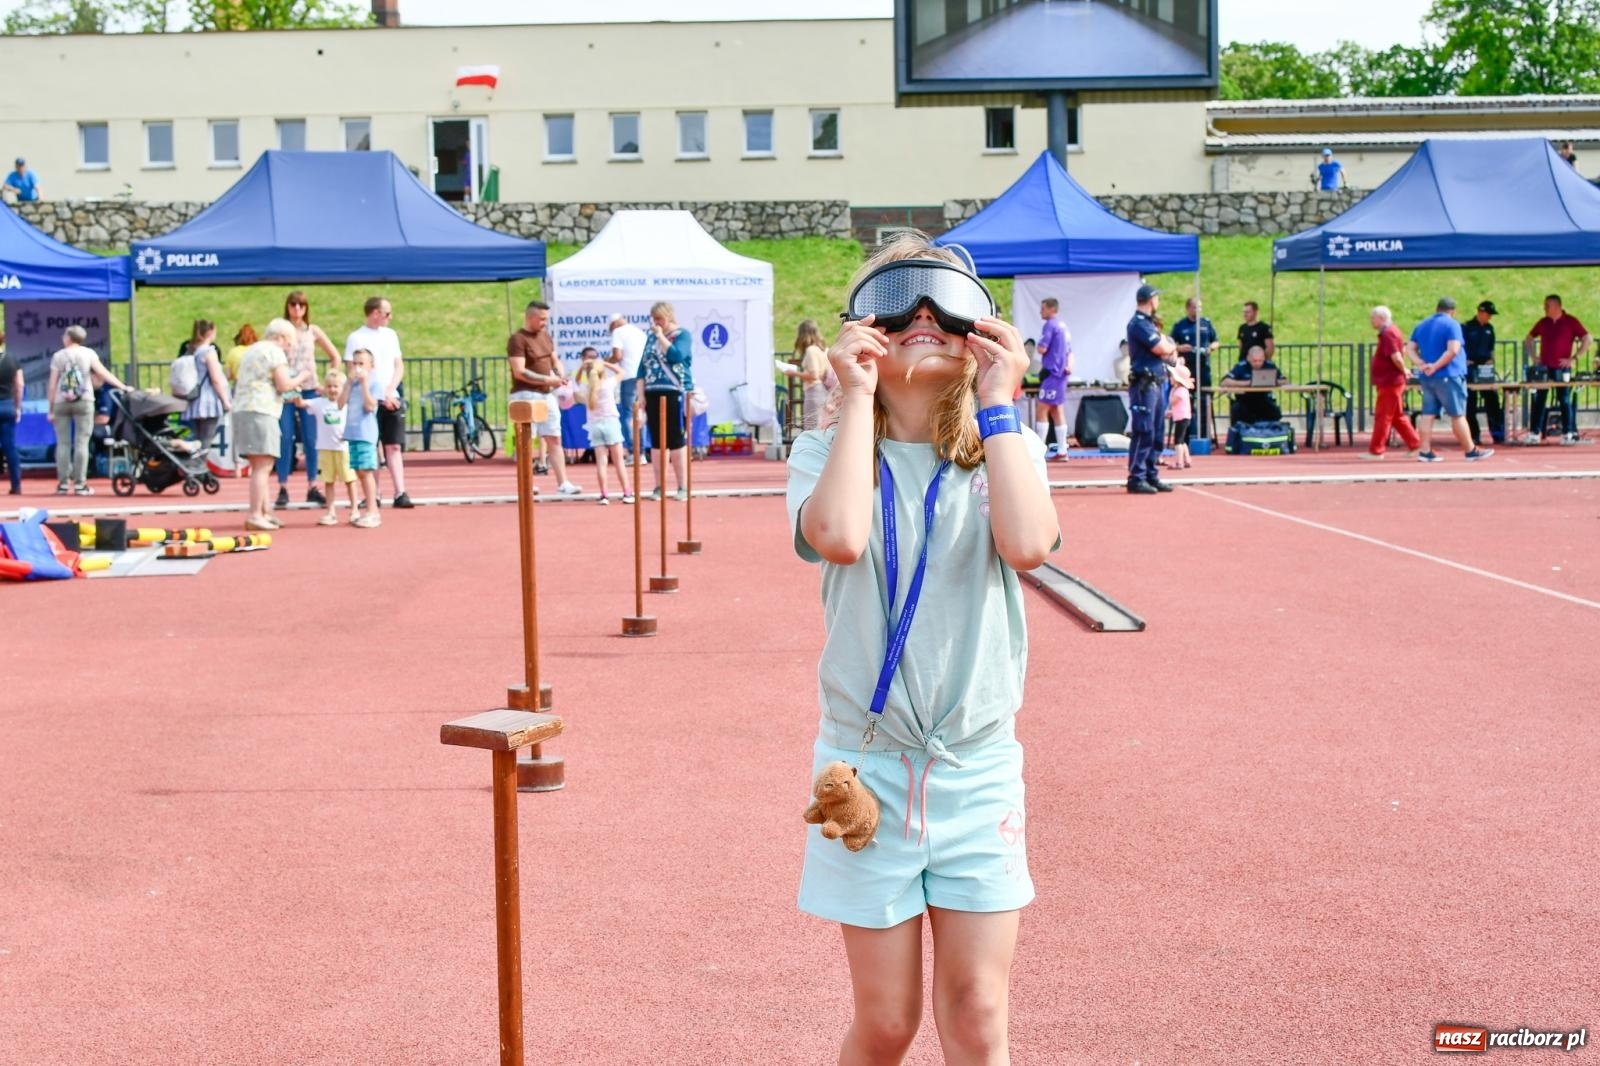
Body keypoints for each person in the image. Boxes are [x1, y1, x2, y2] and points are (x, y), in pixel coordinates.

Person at [785, 232, 1058, 1066]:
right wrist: (855, 394)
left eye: (946, 301)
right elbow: (837, 536)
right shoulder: (823, 454)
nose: (924, 316)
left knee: (978, 1012)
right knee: (889, 1018)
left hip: (974, 770)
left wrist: (1003, 400)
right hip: (867, 773)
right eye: (897, 299)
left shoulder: (1004, 449)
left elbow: (1028, 544)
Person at [344, 296, 412, 508]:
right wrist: (376, 394)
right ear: (375, 313)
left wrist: (390, 390)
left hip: (390, 395)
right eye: (386, 313)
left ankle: (400, 491)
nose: (390, 317)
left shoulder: (391, 335)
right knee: (371, 446)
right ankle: (374, 493)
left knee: (393, 445)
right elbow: (352, 369)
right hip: (369, 396)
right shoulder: (356, 337)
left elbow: (398, 365)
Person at [1406, 297, 1493, 463]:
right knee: (1457, 414)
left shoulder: (1422, 324)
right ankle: (1470, 449)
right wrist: (1436, 366)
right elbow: (1453, 350)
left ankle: (1424, 450)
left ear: (1437, 308)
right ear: (1452, 311)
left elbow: (1409, 348)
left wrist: (1421, 364)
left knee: (1428, 413)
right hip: (1448, 374)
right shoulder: (1452, 325)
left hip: (1428, 377)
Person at [277, 292, 343, 508]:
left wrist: (330, 382)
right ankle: (283, 486)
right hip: (287, 390)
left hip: (309, 389)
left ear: (306, 308)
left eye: (301, 305)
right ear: (287, 307)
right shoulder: (281, 331)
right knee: (285, 437)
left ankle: (313, 485)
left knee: (312, 438)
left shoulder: (312, 331)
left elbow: (335, 355)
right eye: (293, 305)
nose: (297, 309)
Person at [508, 300, 580, 495]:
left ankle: (563, 483)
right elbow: (519, 371)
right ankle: (526, 483)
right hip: (525, 394)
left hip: (546, 394)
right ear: (530, 318)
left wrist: (560, 375)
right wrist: (549, 378)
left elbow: (555, 360)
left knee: (554, 437)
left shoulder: (546, 336)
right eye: (541, 319)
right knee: (526, 440)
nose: (544, 323)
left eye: (546, 319)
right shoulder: (518, 339)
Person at [233, 318, 300, 529]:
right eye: (289, 343)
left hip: (244, 409)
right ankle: (255, 514)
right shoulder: (274, 352)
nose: (289, 348)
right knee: (263, 464)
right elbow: (284, 384)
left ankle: (265, 511)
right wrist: (303, 377)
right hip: (261, 410)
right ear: (280, 338)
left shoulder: (252, 350)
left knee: (259, 463)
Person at [47, 325, 127, 495]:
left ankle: (62, 484)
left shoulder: (58, 356)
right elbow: (102, 373)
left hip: (62, 401)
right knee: (82, 442)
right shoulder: (88, 353)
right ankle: (80, 484)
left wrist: (51, 408)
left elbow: (52, 384)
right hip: (84, 399)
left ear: (68, 337)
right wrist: (123, 386)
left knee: (63, 443)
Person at [636, 301, 694, 501]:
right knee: (657, 441)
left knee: (676, 439)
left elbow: (677, 356)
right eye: (654, 319)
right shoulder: (650, 337)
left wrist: (661, 337)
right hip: (652, 391)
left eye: (659, 318)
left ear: (668, 316)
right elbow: (642, 367)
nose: (656, 323)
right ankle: (659, 486)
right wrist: (641, 395)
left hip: (674, 391)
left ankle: (682, 486)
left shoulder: (682, 335)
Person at [1126, 284, 1177, 494]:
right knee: (1144, 430)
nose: (1159, 303)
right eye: (1157, 299)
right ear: (1151, 300)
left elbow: (1168, 352)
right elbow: (1162, 348)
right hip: (1144, 384)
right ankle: (1136, 477)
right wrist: (1169, 346)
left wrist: (1168, 348)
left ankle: (1151, 474)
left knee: (1157, 432)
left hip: (1157, 381)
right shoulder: (1139, 324)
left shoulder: (1149, 324)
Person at [1524, 294, 1590, 445]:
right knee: (1540, 399)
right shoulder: (1543, 322)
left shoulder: (1570, 321)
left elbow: (1587, 338)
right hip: (1545, 368)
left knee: (1564, 399)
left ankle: (1568, 432)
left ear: (1556, 306)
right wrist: (1534, 357)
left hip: (1562, 367)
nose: (1545, 308)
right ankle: (1535, 432)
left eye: (1547, 306)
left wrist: (1574, 358)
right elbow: (1529, 337)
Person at [574, 346, 633, 504]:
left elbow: (576, 381)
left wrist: (582, 367)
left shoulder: (587, 388)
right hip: (611, 423)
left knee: (601, 462)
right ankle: (627, 492)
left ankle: (604, 494)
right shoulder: (607, 384)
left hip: (594, 425)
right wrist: (605, 363)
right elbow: (622, 372)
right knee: (619, 460)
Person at [1362, 306, 1421, 460]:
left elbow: (1396, 356)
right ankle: (1416, 445)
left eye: (1373, 317)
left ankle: (1377, 450)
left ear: (1381, 318)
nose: (1371, 320)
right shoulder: (1390, 332)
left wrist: (1404, 369)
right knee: (1396, 416)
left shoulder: (1388, 333)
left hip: (1390, 382)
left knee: (1383, 416)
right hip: (1389, 381)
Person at [304, 367, 357, 527]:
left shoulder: (347, 404)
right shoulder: (319, 403)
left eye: (336, 386)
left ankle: (354, 509)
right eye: (329, 386)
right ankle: (331, 511)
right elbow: (302, 403)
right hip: (325, 448)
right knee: (328, 481)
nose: (332, 390)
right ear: (324, 388)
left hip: (343, 448)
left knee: (350, 479)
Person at [337, 349, 383, 529]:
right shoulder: (352, 384)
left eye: (361, 364)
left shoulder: (374, 383)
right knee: (358, 472)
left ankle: (373, 511)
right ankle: (369, 510)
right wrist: (349, 382)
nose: (357, 367)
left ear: (371, 366)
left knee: (366, 471)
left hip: (366, 433)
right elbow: (340, 403)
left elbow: (371, 406)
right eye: (354, 363)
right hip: (353, 433)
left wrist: (364, 384)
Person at [1170, 296, 1218, 437]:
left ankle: (1204, 435)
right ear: (1188, 308)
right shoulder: (1180, 326)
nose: (1198, 310)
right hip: (1186, 370)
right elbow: (1171, 345)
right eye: (1195, 307)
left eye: (1200, 307)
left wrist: (1210, 348)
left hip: (1203, 368)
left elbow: (1216, 341)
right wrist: (1180, 348)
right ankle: (1186, 436)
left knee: (1204, 401)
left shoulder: (1206, 324)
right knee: (1186, 402)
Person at [182, 319, 231, 454]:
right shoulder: (209, 352)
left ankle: (194, 468)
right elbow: (216, 379)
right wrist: (225, 401)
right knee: (207, 440)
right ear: (210, 332)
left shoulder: (192, 350)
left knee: (197, 439)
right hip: (208, 400)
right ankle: (202, 469)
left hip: (195, 399)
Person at [1462, 300, 1504, 447]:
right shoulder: (1466, 327)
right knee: (1470, 404)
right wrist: (1464, 361)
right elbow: (1459, 347)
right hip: (1470, 367)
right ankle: (1474, 436)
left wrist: (1492, 361)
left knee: (1493, 401)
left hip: (1485, 368)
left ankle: (1498, 433)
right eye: (1488, 314)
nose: (1490, 317)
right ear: (1481, 312)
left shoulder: (1489, 328)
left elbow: (1491, 348)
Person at [1035, 297, 1071, 460]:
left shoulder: (1050, 325)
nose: (1041, 312)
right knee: (1057, 410)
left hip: (1053, 372)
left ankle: (1039, 450)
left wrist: (1038, 346)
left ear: (1051, 309)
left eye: (1043, 308)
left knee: (1042, 409)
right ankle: (1062, 450)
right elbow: (1070, 350)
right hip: (1061, 374)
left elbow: (1042, 348)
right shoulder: (1063, 326)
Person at [608, 312, 647, 456]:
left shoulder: (618, 332)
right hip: (643, 377)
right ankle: (641, 452)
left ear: (614, 324)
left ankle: (633, 451)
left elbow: (617, 356)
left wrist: (605, 363)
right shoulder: (639, 332)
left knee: (628, 414)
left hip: (629, 376)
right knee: (640, 413)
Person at [1219, 345, 1284, 426]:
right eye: (1255, 361)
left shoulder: (1269, 366)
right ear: (1248, 358)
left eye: (1260, 360)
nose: (1258, 363)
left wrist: (1273, 381)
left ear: (1264, 358)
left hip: (1264, 399)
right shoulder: (1241, 367)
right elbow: (1224, 382)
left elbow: (1284, 381)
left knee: (1275, 412)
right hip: (1244, 400)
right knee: (1237, 410)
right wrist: (1247, 383)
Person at [791, 319, 831, 431]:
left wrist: (794, 373)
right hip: (824, 391)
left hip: (814, 392)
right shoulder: (824, 350)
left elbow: (814, 375)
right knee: (820, 427)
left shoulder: (811, 350)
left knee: (811, 429)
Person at [0, 334, 22, 495]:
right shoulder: (12, 359)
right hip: (7, 405)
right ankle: (16, 485)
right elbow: (19, 384)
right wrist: (18, 406)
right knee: (10, 447)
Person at [1166, 358, 1194, 469]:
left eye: (1172, 377)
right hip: (1183, 417)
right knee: (1182, 441)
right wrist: (1172, 412)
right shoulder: (1183, 390)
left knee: (1177, 441)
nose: (1170, 379)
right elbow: (1179, 407)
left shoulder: (1179, 391)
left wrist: (1171, 391)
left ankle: (1179, 462)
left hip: (1182, 419)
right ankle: (1187, 459)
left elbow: (1172, 401)